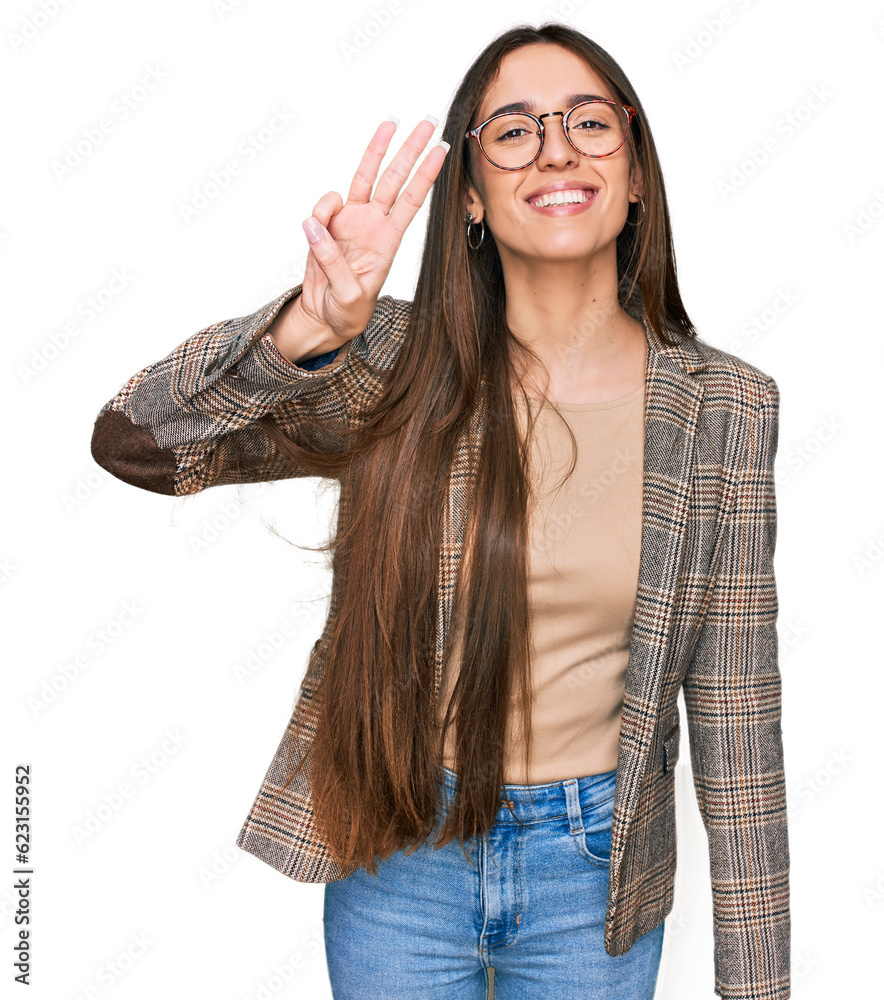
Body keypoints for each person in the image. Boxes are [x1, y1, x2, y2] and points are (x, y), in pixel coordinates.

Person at [90, 21, 790, 1000]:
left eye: (588, 122)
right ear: (468, 194)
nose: (554, 148)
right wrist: (310, 326)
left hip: (594, 870)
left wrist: (756, 985)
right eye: (511, 130)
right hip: (400, 846)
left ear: (634, 173)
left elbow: (736, 708)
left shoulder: (723, 404)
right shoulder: (386, 366)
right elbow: (138, 446)